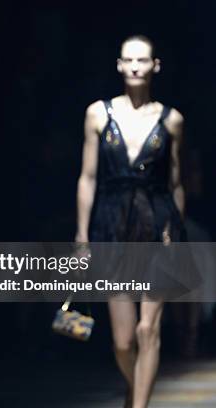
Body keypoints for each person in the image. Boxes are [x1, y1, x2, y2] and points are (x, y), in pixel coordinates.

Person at [76, 35, 186, 408]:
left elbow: (175, 183)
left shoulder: (171, 120)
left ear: (155, 65)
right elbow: (87, 177)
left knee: (147, 328)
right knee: (123, 341)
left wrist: (177, 233)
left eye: (143, 60)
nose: (136, 66)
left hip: (158, 225)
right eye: (129, 60)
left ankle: (139, 404)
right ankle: (137, 390)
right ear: (120, 65)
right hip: (111, 226)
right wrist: (81, 233)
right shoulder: (97, 113)